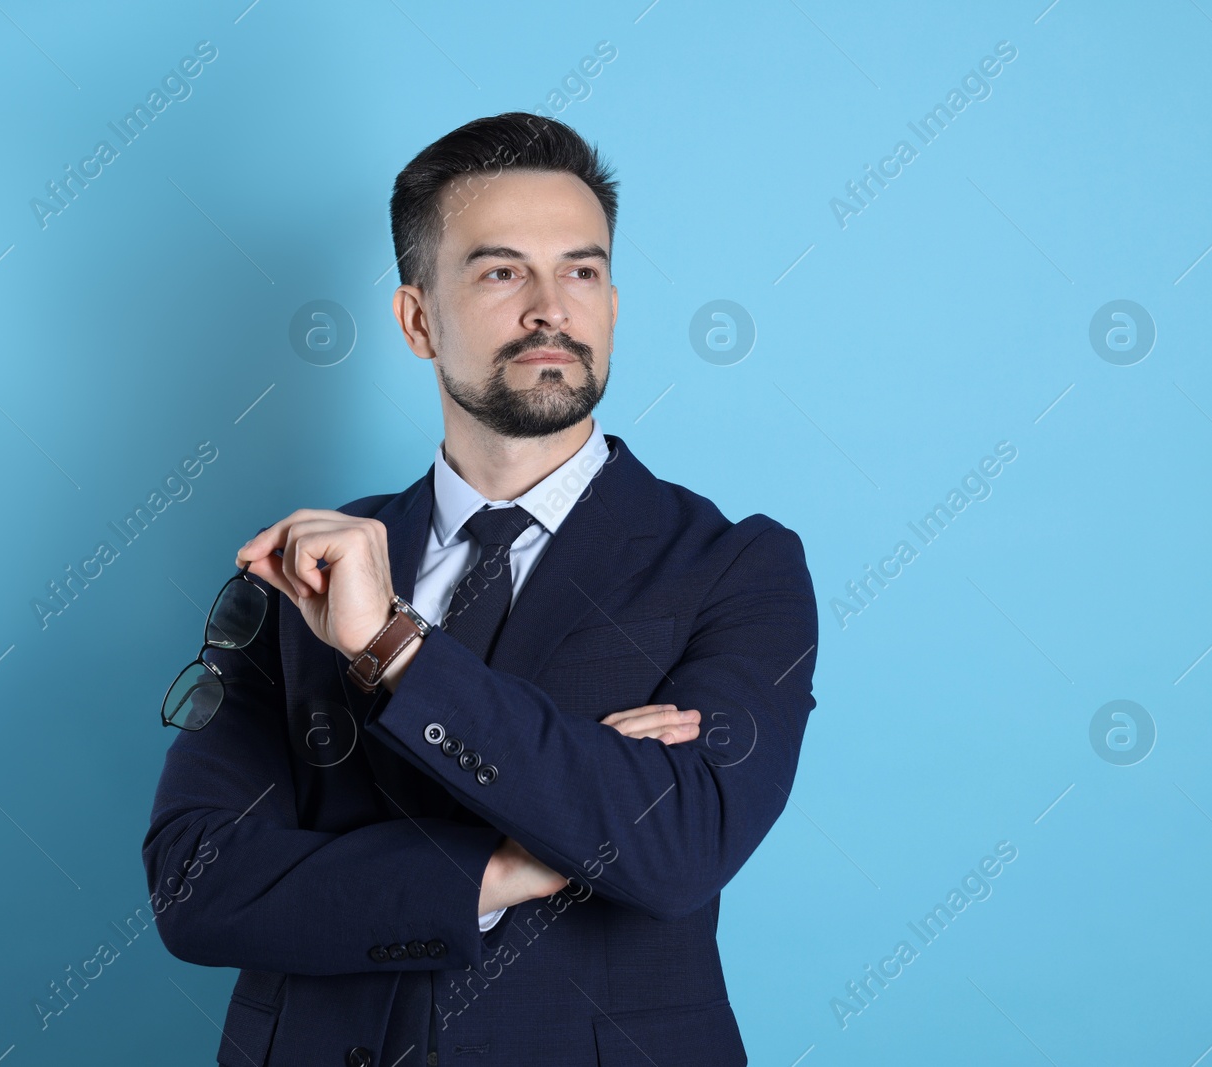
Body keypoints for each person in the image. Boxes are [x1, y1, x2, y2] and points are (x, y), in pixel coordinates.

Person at [143, 111, 818, 1067]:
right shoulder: (305, 568)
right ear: (419, 319)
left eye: (581, 271)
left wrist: (392, 648)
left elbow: (675, 848)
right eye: (502, 272)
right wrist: (507, 866)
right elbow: (195, 887)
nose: (551, 308)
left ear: (614, 304)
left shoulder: (738, 566)